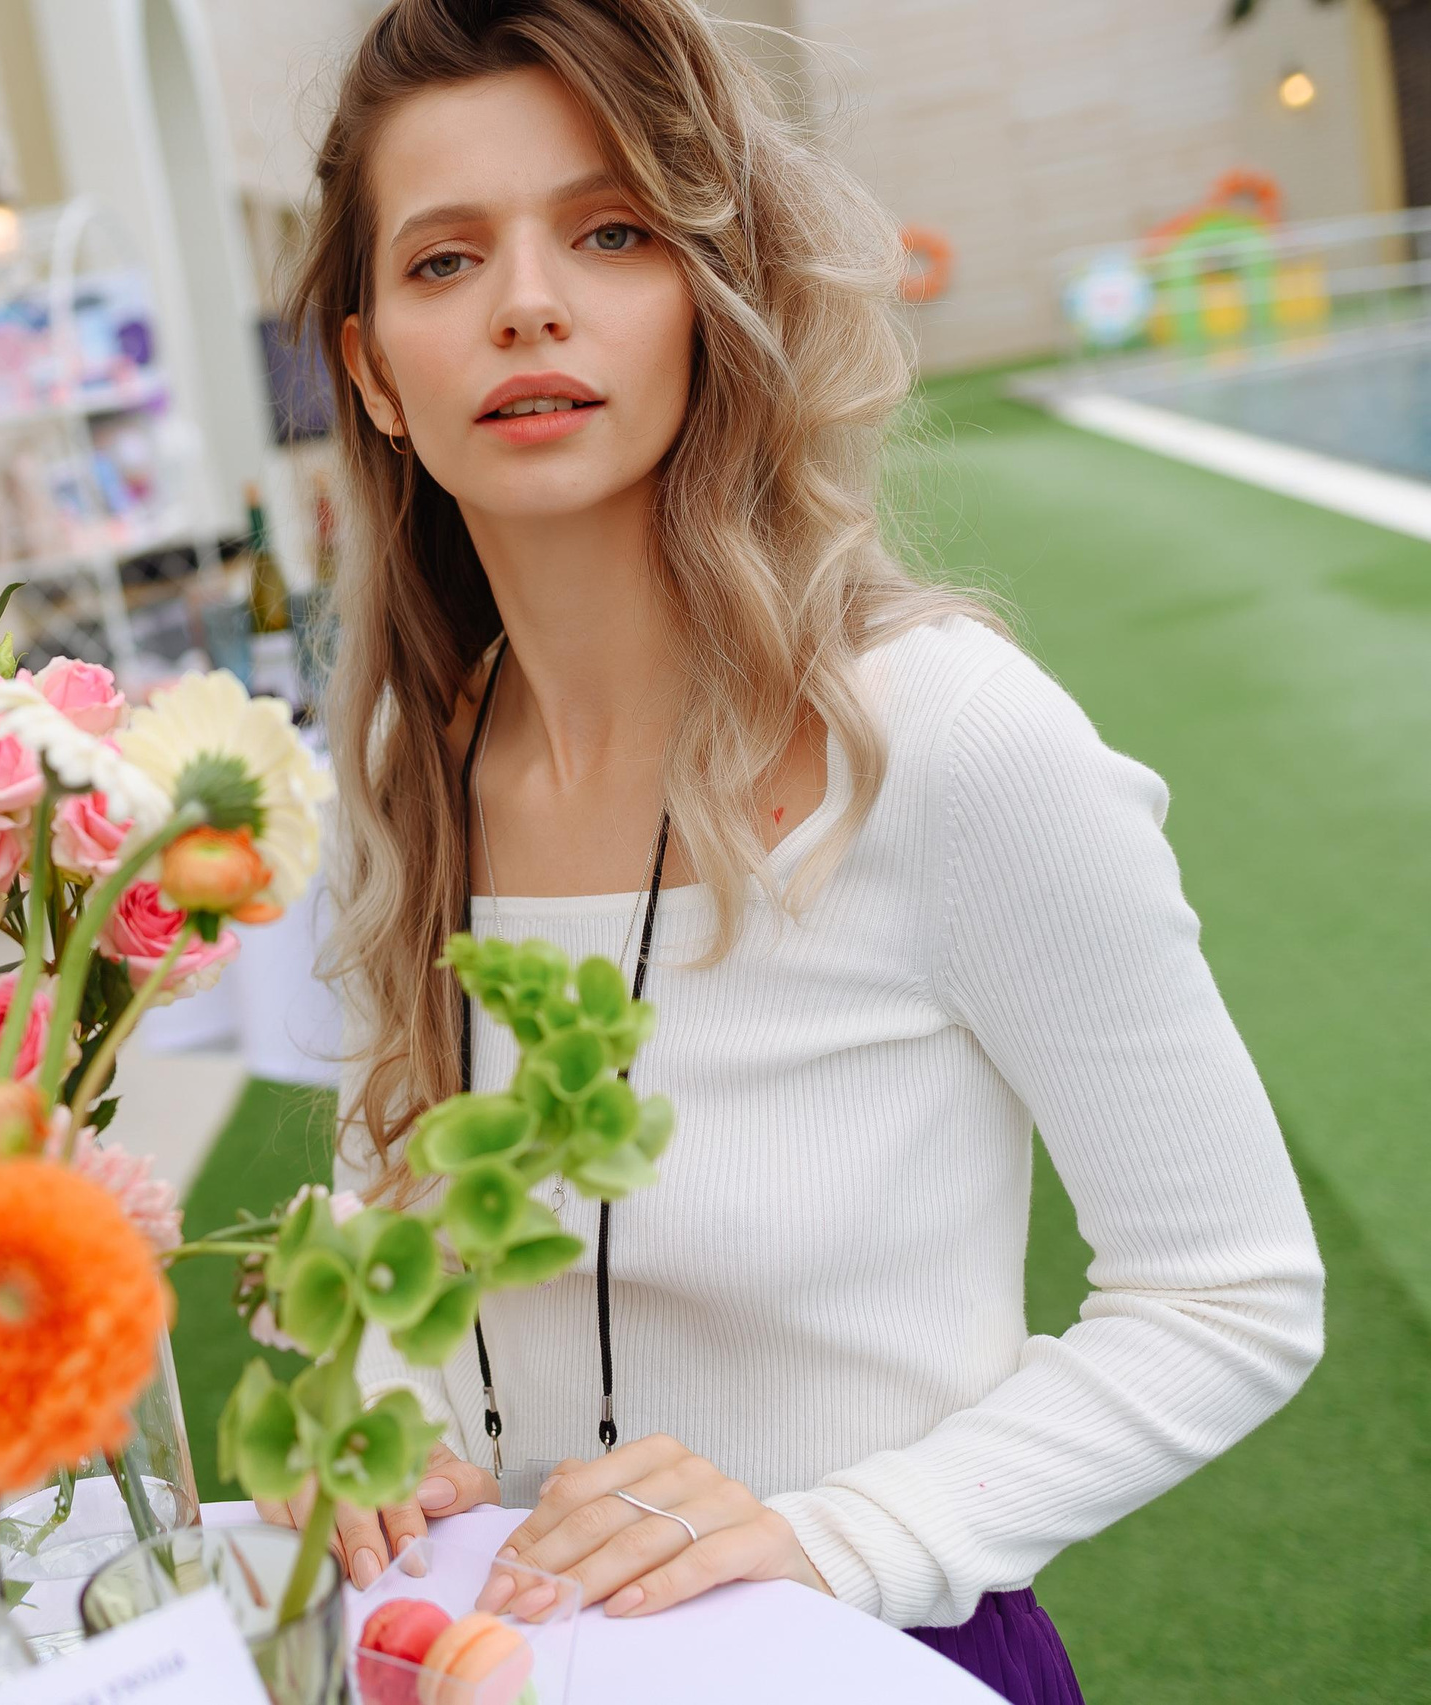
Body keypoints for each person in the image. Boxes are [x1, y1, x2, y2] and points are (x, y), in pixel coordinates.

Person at [259, 4, 1325, 1701]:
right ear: (375, 367)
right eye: (447, 258)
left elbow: (1233, 1291)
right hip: (490, 1663)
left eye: (609, 232)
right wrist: (375, 1424)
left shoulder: (949, 740)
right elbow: (397, 1205)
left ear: (710, 297)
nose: (529, 298)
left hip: (870, 1656)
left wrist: (834, 1532)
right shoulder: (409, 762)